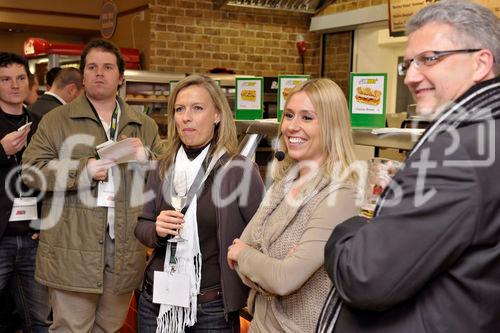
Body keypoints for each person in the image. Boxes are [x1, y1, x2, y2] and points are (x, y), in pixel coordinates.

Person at [319, 1, 500, 332]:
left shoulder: (458, 153)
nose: (411, 77)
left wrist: (351, 227)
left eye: (430, 59)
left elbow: (364, 275)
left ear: (480, 63)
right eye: (408, 65)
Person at [22, 39, 165, 332]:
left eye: (108, 67)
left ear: (120, 77)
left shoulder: (144, 126)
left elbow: (169, 176)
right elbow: (30, 172)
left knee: (110, 328)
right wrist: (82, 170)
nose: (100, 73)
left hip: (126, 251)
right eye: (92, 67)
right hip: (71, 249)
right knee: (70, 328)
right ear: (83, 76)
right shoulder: (55, 121)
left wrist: (145, 157)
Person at [134, 74, 265, 333]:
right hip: (157, 301)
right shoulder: (162, 166)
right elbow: (141, 227)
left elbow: (260, 236)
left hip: (210, 309)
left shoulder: (238, 170)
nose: (186, 117)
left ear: (217, 115)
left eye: (197, 108)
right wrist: (157, 231)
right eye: (180, 109)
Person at [227, 78, 359, 332]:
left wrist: (250, 257)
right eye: (289, 115)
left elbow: (283, 279)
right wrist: (262, 263)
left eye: (307, 118)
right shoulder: (285, 182)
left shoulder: (340, 195)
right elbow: (239, 249)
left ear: (331, 126)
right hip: (260, 326)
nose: (292, 126)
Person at [0, 52, 50, 332]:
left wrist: (46, 219)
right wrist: (1, 150)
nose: (14, 85)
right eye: (5, 79)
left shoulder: (40, 122)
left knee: (39, 318)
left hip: (32, 238)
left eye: (20, 78)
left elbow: (51, 173)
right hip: (1, 236)